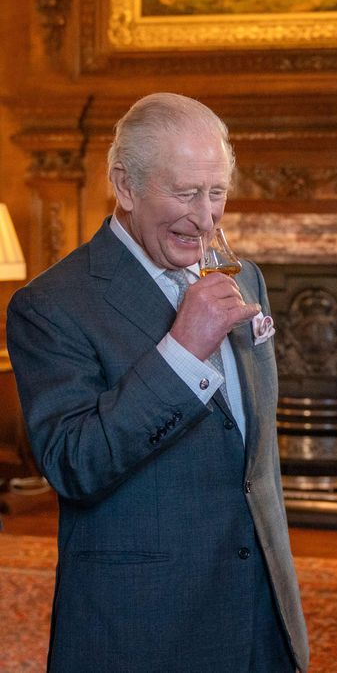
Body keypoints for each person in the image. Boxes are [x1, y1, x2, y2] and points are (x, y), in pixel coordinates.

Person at [6, 93, 309, 672]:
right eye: (184, 192)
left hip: (259, 615)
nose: (205, 216)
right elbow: (74, 464)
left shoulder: (244, 277)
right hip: (140, 626)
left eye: (216, 192)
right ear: (125, 185)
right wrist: (183, 350)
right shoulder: (50, 305)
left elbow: (249, 454)